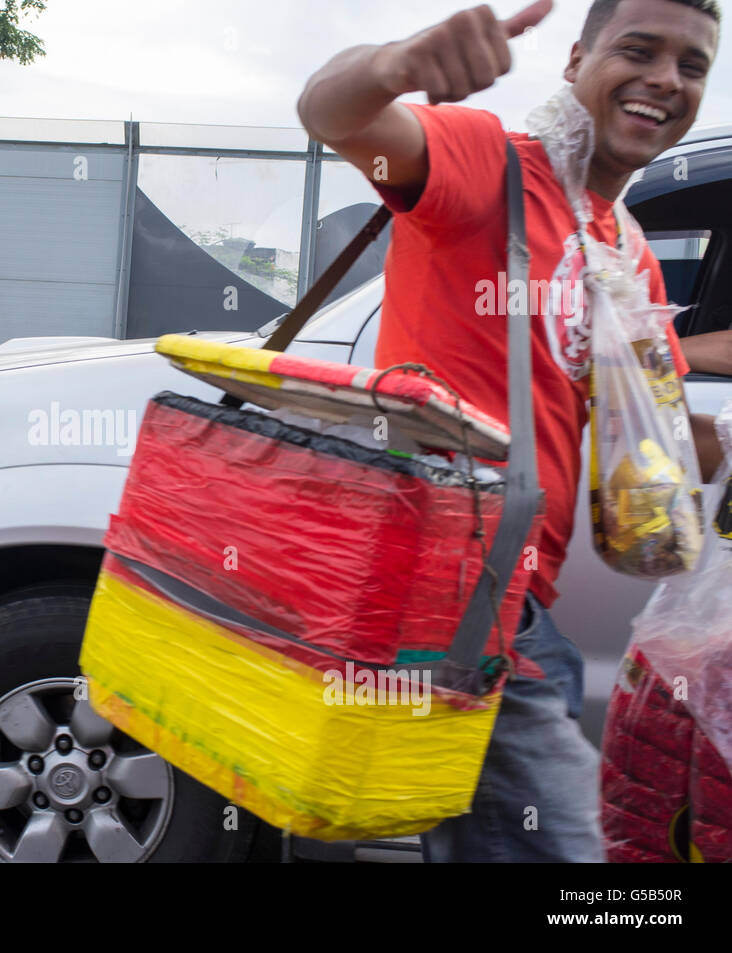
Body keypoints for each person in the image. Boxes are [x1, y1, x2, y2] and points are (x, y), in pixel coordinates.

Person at [298, 0, 722, 861]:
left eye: (691, 65)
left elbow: (649, 422)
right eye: (639, 50)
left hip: (525, 608)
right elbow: (329, 113)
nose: (665, 81)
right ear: (575, 61)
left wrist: (692, 449)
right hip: (448, 590)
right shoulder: (483, 163)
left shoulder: (627, 252)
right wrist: (394, 64)